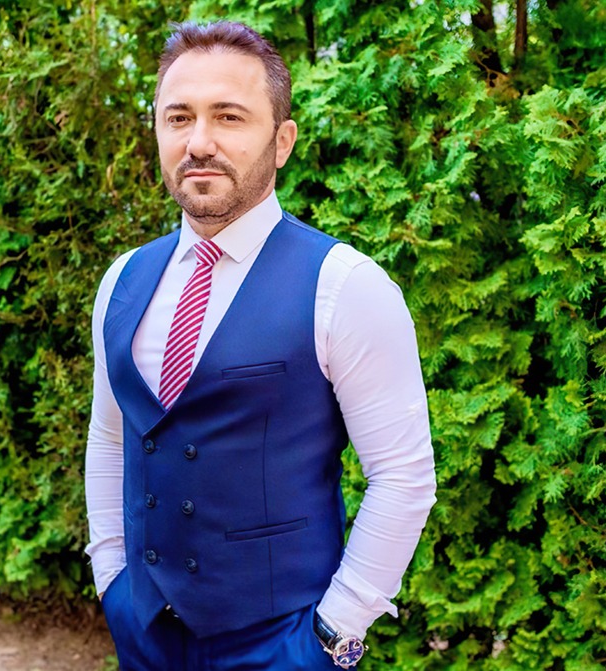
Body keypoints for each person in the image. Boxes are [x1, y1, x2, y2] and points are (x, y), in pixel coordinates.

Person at [84, 20, 437, 671]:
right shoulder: (121, 282)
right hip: (145, 637)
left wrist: (333, 637)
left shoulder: (345, 286)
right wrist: (111, 577)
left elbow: (403, 476)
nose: (199, 142)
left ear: (282, 141)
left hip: (284, 645)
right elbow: (110, 438)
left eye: (229, 117)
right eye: (179, 117)